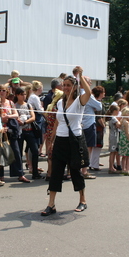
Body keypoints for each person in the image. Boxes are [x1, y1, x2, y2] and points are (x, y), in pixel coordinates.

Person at [41, 66, 91, 216]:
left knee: (75, 171)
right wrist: (51, 140)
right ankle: (51, 204)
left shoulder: (79, 101)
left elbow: (88, 92)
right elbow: (57, 122)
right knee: (56, 172)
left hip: (74, 139)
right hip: (61, 140)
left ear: (75, 86)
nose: (66, 87)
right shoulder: (59, 103)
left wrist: (80, 76)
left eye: (69, 85)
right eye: (64, 85)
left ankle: (83, 200)